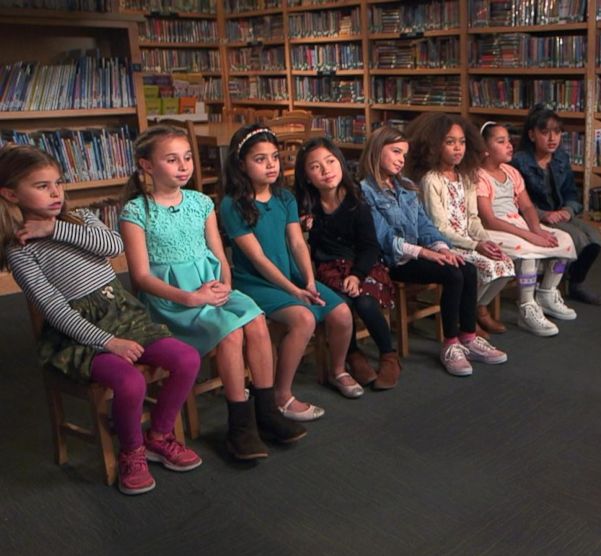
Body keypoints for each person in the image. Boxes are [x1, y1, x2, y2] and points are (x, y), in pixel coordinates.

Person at [0, 144, 202, 495]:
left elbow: (113, 246)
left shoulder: (81, 220)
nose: (55, 193)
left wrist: (54, 230)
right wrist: (107, 342)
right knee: (129, 383)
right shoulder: (20, 250)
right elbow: (54, 309)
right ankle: (131, 451)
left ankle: (158, 435)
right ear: (10, 194)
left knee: (187, 358)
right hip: (79, 334)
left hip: (122, 314)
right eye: (42, 186)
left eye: (58, 183)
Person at [119, 125, 306, 462]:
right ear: (147, 166)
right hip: (173, 301)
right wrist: (190, 298)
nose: (183, 166)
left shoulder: (201, 202)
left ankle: (265, 410)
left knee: (256, 321)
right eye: (172, 160)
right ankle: (239, 424)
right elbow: (141, 276)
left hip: (212, 287)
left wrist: (225, 285)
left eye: (187, 158)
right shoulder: (137, 211)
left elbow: (219, 254)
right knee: (231, 333)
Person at [219, 125, 357, 409]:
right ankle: (281, 395)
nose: (271, 165)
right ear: (241, 165)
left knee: (342, 312)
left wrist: (308, 280)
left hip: (293, 276)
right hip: (255, 282)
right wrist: (293, 291)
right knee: (304, 319)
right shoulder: (232, 204)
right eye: (260, 159)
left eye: (274, 157)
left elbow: (297, 243)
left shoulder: (284, 198)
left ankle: (339, 370)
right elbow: (257, 258)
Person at [359, 125, 507, 377]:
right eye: (395, 152)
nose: (400, 160)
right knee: (452, 274)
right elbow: (383, 239)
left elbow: (425, 224)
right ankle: (450, 345)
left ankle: (468, 338)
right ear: (376, 151)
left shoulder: (404, 186)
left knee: (465, 267)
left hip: (416, 252)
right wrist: (426, 253)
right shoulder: (365, 190)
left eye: (403, 155)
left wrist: (440, 247)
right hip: (391, 260)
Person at [295, 136, 402, 390]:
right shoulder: (306, 205)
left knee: (364, 301)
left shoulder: (356, 201)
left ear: (341, 164)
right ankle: (352, 353)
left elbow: (370, 246)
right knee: (340, 304)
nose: (326, 170)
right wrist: (302, 229)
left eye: (330, 162)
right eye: (315, 167)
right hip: (327, 269)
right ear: (307, 176)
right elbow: (305, 248)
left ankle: (389, 355)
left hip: (363, 265)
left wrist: (357, 274)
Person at [404, 113, 516, 337]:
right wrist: (475, 246)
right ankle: (464, 316)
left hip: (470, 241)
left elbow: (473, 218)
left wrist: (485, 240)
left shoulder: (465, 176)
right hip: (446, 245)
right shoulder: (431, 180)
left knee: (506, 263)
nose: (458, 148)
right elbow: (439, 228)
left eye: (462, 142)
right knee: (480, 267)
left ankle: (475, 308)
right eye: (450, 142)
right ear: (435, 146)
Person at [475, 121, 578, 336]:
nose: (509, 145)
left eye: (509, 141)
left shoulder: (511, 172)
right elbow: (489, 219)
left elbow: (527, 206)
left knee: (565, 241)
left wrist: (538, 231)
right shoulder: (479, 176)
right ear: (485, 148)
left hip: (519, 224)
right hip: (497, 228)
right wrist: (530, 236)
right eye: (501, 141)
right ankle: (527, 305)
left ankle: (547, 291)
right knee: (527, 251)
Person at [511, 104, 601, 306]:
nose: (553, 138)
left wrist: (568, 210)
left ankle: (576, 282)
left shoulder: (561, 158)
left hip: (560, 213)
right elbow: (516, 201)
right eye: (545, 133)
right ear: (532, 135)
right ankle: (556, 285)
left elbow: (572, 192)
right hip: (535, 216)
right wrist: (544, 215)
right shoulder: (519, 162)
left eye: (557, 132)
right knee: (580, 240)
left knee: (595, 239)